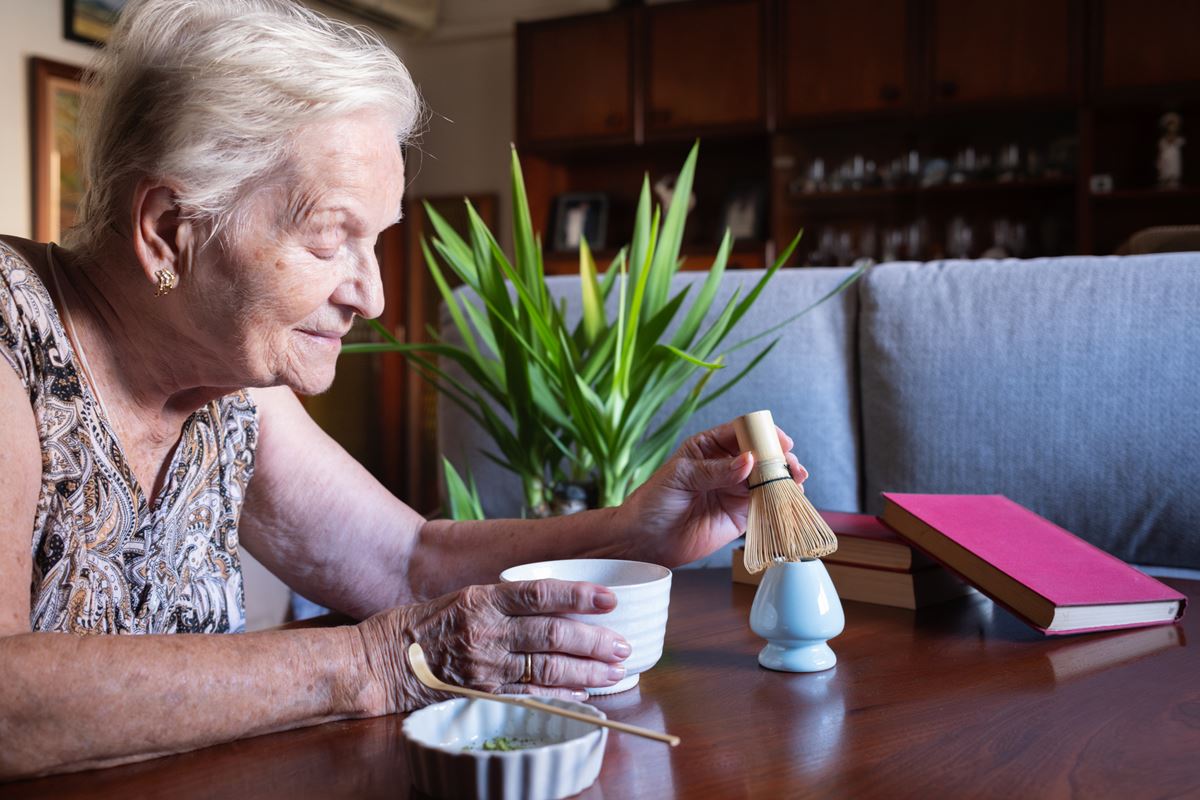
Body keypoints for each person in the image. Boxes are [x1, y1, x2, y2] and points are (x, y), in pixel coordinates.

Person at [0, 0, 807, 781]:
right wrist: (373, 662)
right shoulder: (11, 334)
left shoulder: (226, 387)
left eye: (376, 240)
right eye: (329, 238)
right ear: (167, 229)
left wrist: (635, 530)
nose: (373, 296)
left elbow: (407, 562)